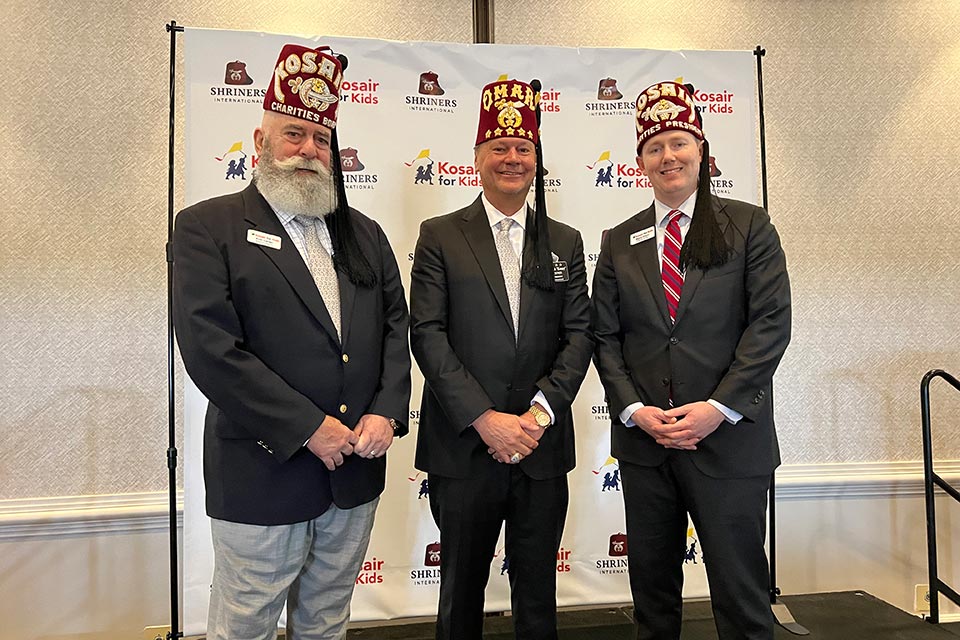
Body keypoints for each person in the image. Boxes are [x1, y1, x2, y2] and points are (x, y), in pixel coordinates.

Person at [173, 43, 410, 640]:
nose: (308, 150)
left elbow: (392, 330)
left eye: (321, 139)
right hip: (262, 468)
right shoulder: (207, 227)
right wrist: (308, 426)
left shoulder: (365, 234)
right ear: (260, 143)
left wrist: (386, 410)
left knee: (327, 617)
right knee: (246, 621)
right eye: (293, 135)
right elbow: (211, 350)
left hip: (356, 467)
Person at [591, 80, 791, 640]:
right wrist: (633, 410)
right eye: (654, 147)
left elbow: (770, 326)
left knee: (743, 602)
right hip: (646, 447)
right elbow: (604, 338)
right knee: (653, 606)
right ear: (640, 162)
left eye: (678, 142)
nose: (668, 156)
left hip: (729, 443)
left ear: (701, 151)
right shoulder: (618, 240)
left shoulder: (749, 227)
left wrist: (718, 408)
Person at [410, 78, 593, 640]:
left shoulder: (564, 240)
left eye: (524, 148)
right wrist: (485, 420)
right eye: (500, 147)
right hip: (465, 447)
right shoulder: (440, 235)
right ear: (478, 158)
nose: (512, 158)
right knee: (459, 594)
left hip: (540, 448)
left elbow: (580, 336)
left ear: (537, 159)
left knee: (537, 596)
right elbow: (428, 335)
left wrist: (537, 417)